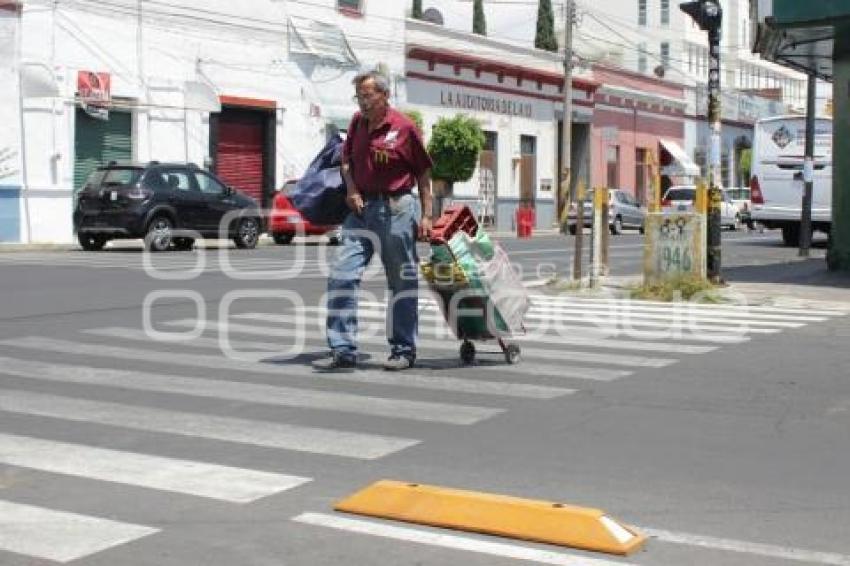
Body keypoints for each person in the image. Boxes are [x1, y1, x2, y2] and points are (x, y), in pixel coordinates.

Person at [313, 71, 433, 371]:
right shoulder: (356, 123)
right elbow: (344, 161)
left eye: (368, 96)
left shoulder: (404, 128)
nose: (363, 102)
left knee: (401, 281)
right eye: (359, 96)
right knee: (341, 274)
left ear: (384, 95)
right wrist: (352, 190)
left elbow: (423, 174)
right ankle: (343, 348)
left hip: (397, 209)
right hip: (361, 210)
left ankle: (403, 349)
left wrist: (428, 215)